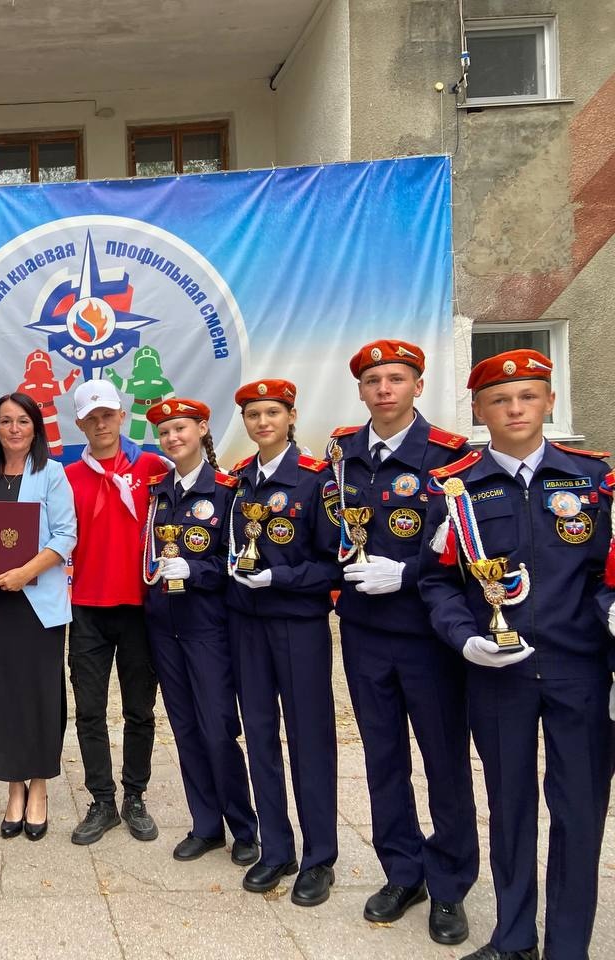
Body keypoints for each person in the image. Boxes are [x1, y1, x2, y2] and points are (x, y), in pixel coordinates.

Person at [419, 349, 612, 960]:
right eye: (500, 399)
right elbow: (437, 581)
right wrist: (464, 637)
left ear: (551, 401)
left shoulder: (595, 482)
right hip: (498, 674)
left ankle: (567, 948)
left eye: (528, 395)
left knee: (579, 814)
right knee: (509, 810)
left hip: (579, 670)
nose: (515, 407)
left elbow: (607, 574)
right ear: (479, 410)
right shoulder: (458, 489)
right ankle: (513, 940)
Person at [327, 340, 477, 944]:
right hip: (364, 633)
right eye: (373, 380)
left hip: (426, 635)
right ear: (361, 390)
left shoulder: (450, 456)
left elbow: (465, 548)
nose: (384, 388)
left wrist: (408, 573)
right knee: (383, 759)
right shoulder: (343, 453)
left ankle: (449, 885)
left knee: (443, 763)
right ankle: (403, 871)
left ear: (418, 385)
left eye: (396, 378)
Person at [226, 378, 340, 907]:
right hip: (246, 625)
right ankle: (277, 847)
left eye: (272, 413)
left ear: (291, 417)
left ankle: (320, 857)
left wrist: (283, 579)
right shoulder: (239, 482)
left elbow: (335, 563)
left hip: (298, 626)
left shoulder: (317, 480)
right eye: (253, 415)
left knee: (310, 740)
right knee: (262, 741)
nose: (263, 422)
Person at [142, 398, 259, 867]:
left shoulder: (228, 491)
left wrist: (195, 570)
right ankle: (206, 824)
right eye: (165, 431)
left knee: (217, 730)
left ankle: (244, 826)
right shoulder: (158, 492)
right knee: (186, 730)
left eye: (180, 429)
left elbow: (238, 561)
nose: (172, 438)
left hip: (207, 626)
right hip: (163, 626)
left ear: (202, 428)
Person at [0, 393, 77, 840]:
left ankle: (40, 789)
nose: (14, 429)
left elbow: (67, 534)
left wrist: (24, 572)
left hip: (36, 604)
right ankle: (14, 789)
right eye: (5, 421)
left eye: (23, 421)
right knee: (3, 697)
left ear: (36, 427)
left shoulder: (51, 474)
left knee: (39, 696)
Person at [64, 378, 166, 845]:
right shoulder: (67, 478)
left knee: (139, 710)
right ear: (80, 423)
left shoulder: (154, 468)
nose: (101, 422)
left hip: (140, 609)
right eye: (91, 416)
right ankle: (102, 800)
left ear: (122, 416)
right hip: (87, 608)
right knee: (89, 710)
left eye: (108, 414)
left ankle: (135, 795)